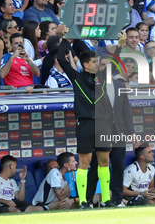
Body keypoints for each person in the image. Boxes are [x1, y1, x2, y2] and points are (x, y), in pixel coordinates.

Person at [56, 38, 118, 208]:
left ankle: (106, 199)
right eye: (94, 62)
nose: (98, 64)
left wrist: (120, 43)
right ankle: (83, 201)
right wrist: (65, 40)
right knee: (84, 163)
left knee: (104, 161)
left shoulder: (104, 76)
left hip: (103, 123)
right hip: (85, 124)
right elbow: (61, 59)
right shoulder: (76, 77)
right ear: (85, 65)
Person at [87, 66, 136, 207]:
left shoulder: (120, 85)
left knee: (118, 167)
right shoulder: (94, 85)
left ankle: (117, 200)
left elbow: (126, 111)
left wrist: (132, 132)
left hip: (119, 132)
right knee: (97, 166)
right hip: (101, 131)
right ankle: (89, 200)